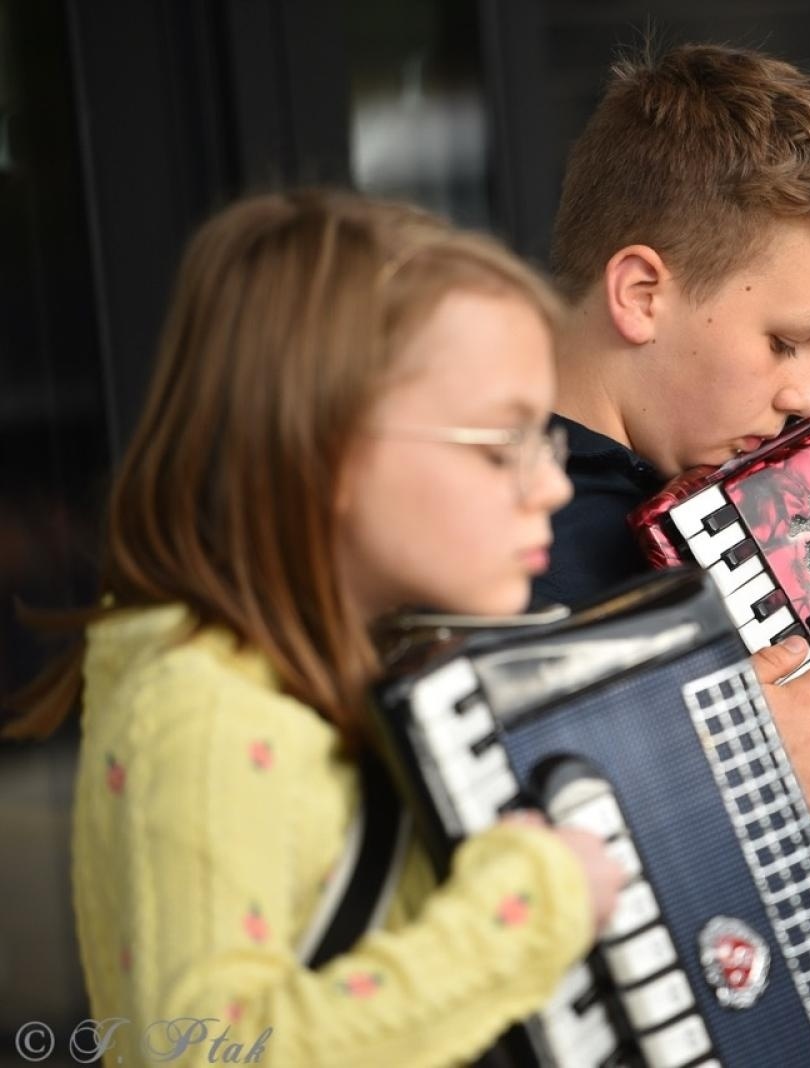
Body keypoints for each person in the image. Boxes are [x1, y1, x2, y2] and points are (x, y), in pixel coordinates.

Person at [4, 190, 624, 1067]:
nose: (553, 486)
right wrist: (525, 912)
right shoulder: (203, 713)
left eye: (546, 440)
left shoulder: (362, 658)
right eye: (501, 445)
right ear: (331, 451)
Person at [535, 43, 810, 845]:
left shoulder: (713, 490)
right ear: (640, 295)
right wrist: (730, 763)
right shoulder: (512, 537)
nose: (806, 396)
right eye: (784, 342)